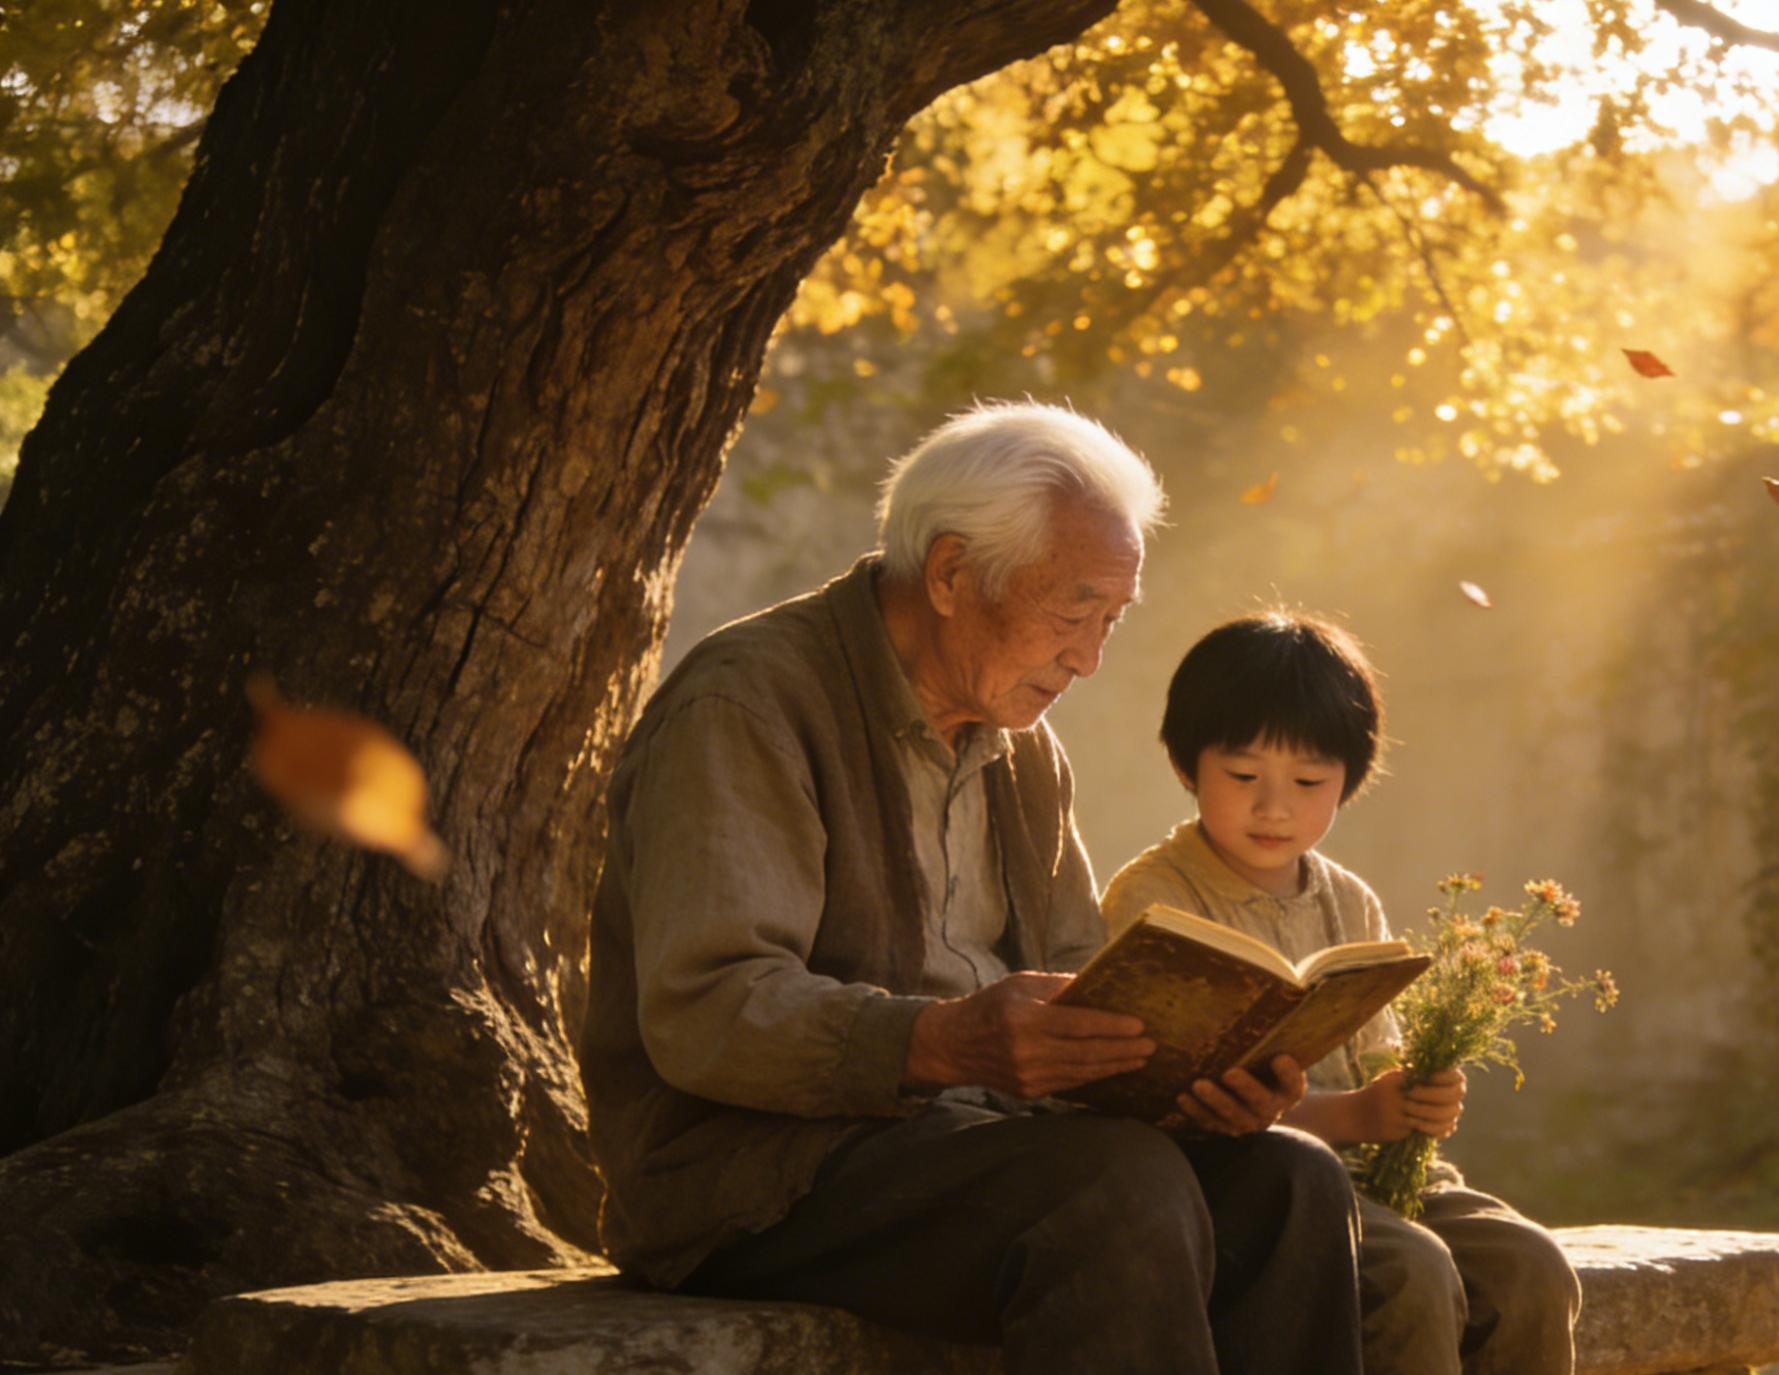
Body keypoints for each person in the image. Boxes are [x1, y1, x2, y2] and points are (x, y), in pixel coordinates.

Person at [579, 403, 1363, 1375]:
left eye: (1111, 619)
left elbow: (1079, 966)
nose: (1089, 655)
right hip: (753, 1182)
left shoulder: (1022, 750)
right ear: (949, 573)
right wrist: (941, 1039)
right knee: (1108, 1189)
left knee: (1288, 1180)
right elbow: (708, 1009)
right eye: (1072, 609)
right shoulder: (747, 704)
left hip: (981, 1151)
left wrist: (1200, 1074)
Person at [1099, 611, 1581, 1375]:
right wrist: (1355, 1114)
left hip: (1373, 1173)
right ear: (1186, 765)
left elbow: (1376, 1064)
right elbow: (1178, 1098)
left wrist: (1417, 1097)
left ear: (1350, 782)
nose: (1274, 807)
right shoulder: (1154, 897)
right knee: (1410, 1275)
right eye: (1244, 775)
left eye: (1309, 781)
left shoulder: (1347, 899)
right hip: (1252, 1188)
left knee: (1530, 1266)